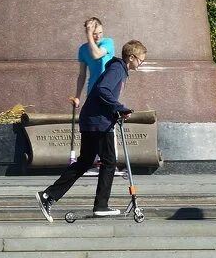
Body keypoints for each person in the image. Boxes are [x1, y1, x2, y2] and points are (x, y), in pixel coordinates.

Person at [35, 40, 147, 221]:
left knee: (85, 162)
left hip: (92, 120)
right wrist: (120, 107)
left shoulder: (118, 69)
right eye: (141, 59)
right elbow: (103, 90)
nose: (141, 63)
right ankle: (101, 206)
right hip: (99, 123)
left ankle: (48, 196)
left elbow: (103, 94)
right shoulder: (118, 69)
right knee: (109, 162)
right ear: (132, 57)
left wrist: (116, 110)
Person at [72, 17, 114, 108]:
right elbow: (82, 75)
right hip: (92, 90)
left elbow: (96, 55)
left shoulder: (108, 42)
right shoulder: (83, 49)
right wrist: (77, 96)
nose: (98, 36)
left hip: (108, 90)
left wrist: (90, 36)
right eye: (94, 34)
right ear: (87, 33)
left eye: (100, 32)